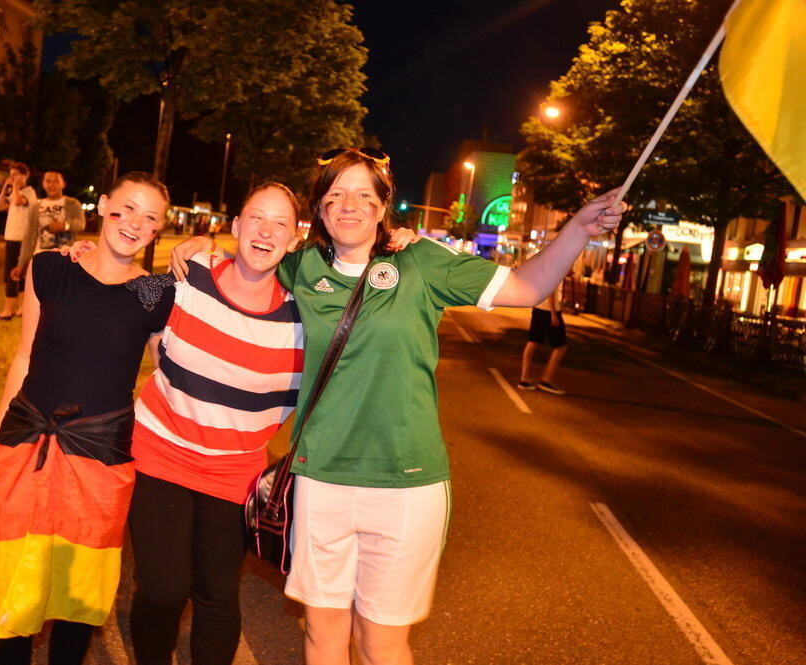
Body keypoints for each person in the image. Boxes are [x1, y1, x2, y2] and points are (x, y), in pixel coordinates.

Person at [173, 147, 624, 665]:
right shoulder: (299, 268)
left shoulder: (422, 261)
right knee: (322, 634)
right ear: (318, 209)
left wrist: (577, 230)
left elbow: (527, 285)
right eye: (336, 194)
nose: (349, 205)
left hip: (408, 486)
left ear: (384, 206)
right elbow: (247, 262)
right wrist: (200, 242)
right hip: (320, 479)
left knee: (381, 642)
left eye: (365, 194)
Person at [0, 172, 174, 665]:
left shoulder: (154, 292)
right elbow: (23, 356)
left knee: (78, 592)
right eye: (126, 208)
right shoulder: (50, 269)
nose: (134, 223)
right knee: (12, 580)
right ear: (103, 204)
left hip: (99, 456)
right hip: (27, 444)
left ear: (157, 231)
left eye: (150, 218)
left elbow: (167, 373)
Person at [127, 182, 303, 665]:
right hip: (160, 454)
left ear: (294, 240)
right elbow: (126, 294)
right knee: (163, 589)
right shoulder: (191, 272)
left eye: (280, 224)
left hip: (234, 473)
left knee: (217, 595)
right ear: (236, 226)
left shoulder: (302, 316)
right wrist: (83, 253)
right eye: (256, 218)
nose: (266, 231)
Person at [11, 170, 85, 282]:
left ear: (63, 184)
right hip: (41, 258)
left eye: (56, 181)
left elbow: (81, 224)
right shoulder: (36, 207)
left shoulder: (73, 203)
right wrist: (21, 264)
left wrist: (64, 225)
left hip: (65, 260)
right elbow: (29, 236)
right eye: (48, 181)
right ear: (43, 183)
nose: (52, 185)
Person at [0, 162, 37, 320]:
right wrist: (6, 187)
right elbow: (0, 206)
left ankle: (8, 310)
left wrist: (17, 187)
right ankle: (20, 308)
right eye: (11, 175)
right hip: (11, 236)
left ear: (25, 176)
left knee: (13, 274)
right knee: (16, 275)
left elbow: (19, 201)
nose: (13, 178)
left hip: (21, 238)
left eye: (16, 175)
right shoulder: (14, 191)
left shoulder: (29, 192)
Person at [518, 277, 569, 394]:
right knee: (561, 346)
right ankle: (546, 380)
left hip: (538, 308)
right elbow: (550, 290)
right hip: (549, 310)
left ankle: (524, 379)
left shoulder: (544, 265)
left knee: (533, 341)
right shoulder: (555, 266)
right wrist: (554, 314)